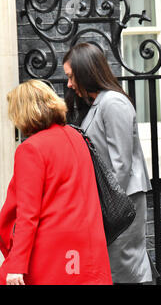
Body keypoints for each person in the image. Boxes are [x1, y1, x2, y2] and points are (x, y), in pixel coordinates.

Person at [0, 79, 112, 285]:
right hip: (88, 247)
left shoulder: (31, 149)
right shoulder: (76, 136)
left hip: (55, 253)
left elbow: (28, 214)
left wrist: (17, 265)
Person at [63, 43, 153, 284]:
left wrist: (106, 206)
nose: (69, 84)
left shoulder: (113, 102)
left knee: (125, 267)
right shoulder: (97, 103)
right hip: (111, 201)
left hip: (123, 201)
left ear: (86, 72)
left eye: (72, 77)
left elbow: (121, 163)